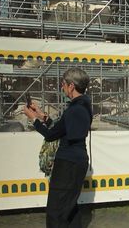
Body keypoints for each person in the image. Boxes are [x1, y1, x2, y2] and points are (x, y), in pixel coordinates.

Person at [23, 67, 92, 227]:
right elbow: (63, 129)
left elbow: (51, 135)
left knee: (56, 211)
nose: (62, 87)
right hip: (77, 161)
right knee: (69, 207)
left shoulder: (75, 109)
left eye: (63, 84)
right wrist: (41, 116)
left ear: (71, 86)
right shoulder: (83, 106)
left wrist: (34, 119)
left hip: (68, 164)